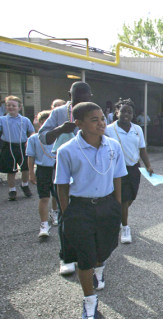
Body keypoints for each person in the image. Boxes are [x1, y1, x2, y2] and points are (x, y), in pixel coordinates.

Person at [54, 102, 127, 319]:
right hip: (81, 208)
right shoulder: (67, 150)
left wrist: (116, 204)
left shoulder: (113, 146)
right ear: (79, 124)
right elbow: (62, 185)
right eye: (94, 120)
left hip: (107, 207)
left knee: (103, 249)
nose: (101, 123)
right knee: (84, 257)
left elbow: (118, 176)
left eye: (102, 119)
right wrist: (67, 213)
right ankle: (89, 300)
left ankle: (99, 266)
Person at [39, 82, 93, 275]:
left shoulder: (92, 111)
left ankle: (87, 253)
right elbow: (43, 137)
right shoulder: (59, 113)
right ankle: (66, 256)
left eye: (85, 97)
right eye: (76, 97)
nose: (81, 101)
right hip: (63, 166)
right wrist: (61, 129)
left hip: (88, 167)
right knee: (65, 211)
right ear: (69, 95)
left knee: (87, 211)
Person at [105, 98, 154, 244]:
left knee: (131, 197)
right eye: (123, 111)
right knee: (124, 200)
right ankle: (125, 227)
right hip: (116, 170)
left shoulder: (137, 129)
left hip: (134, 168)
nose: (126, 114)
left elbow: (142, 150)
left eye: (130, 112)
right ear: (116, 112)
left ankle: (118, 216)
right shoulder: (108, 130)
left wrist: (148, 166)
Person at [27, 110, 59, 238]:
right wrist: (31, 173)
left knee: (57, 196)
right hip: (42, 169)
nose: (45, 124)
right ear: (39, 123)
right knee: (44, 197)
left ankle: (56, 213)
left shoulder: (58, 137)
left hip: (57, 168)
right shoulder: (34, 138)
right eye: (43, 122)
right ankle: (44, 224)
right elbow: (31, 156)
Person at [0, 95, 35, 201]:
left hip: (22, 145)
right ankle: (12, 190)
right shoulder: (2, 119)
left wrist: (30, 140)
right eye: (8, 105)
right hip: (8, 145)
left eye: (13, 105)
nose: (11, 107)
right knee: (11, 170)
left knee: (25, 168)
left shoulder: (25, 120)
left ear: (19, 107)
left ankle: (24, 185)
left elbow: (32, 132)